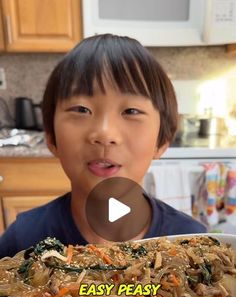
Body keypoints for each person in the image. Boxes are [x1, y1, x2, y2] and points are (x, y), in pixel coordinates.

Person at [0, 34, 206, 258]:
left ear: (162, 141)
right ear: (51, 137)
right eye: (81, 109)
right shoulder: (21, 241)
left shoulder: (192, 245)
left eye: (131, 111)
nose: (105, 133)